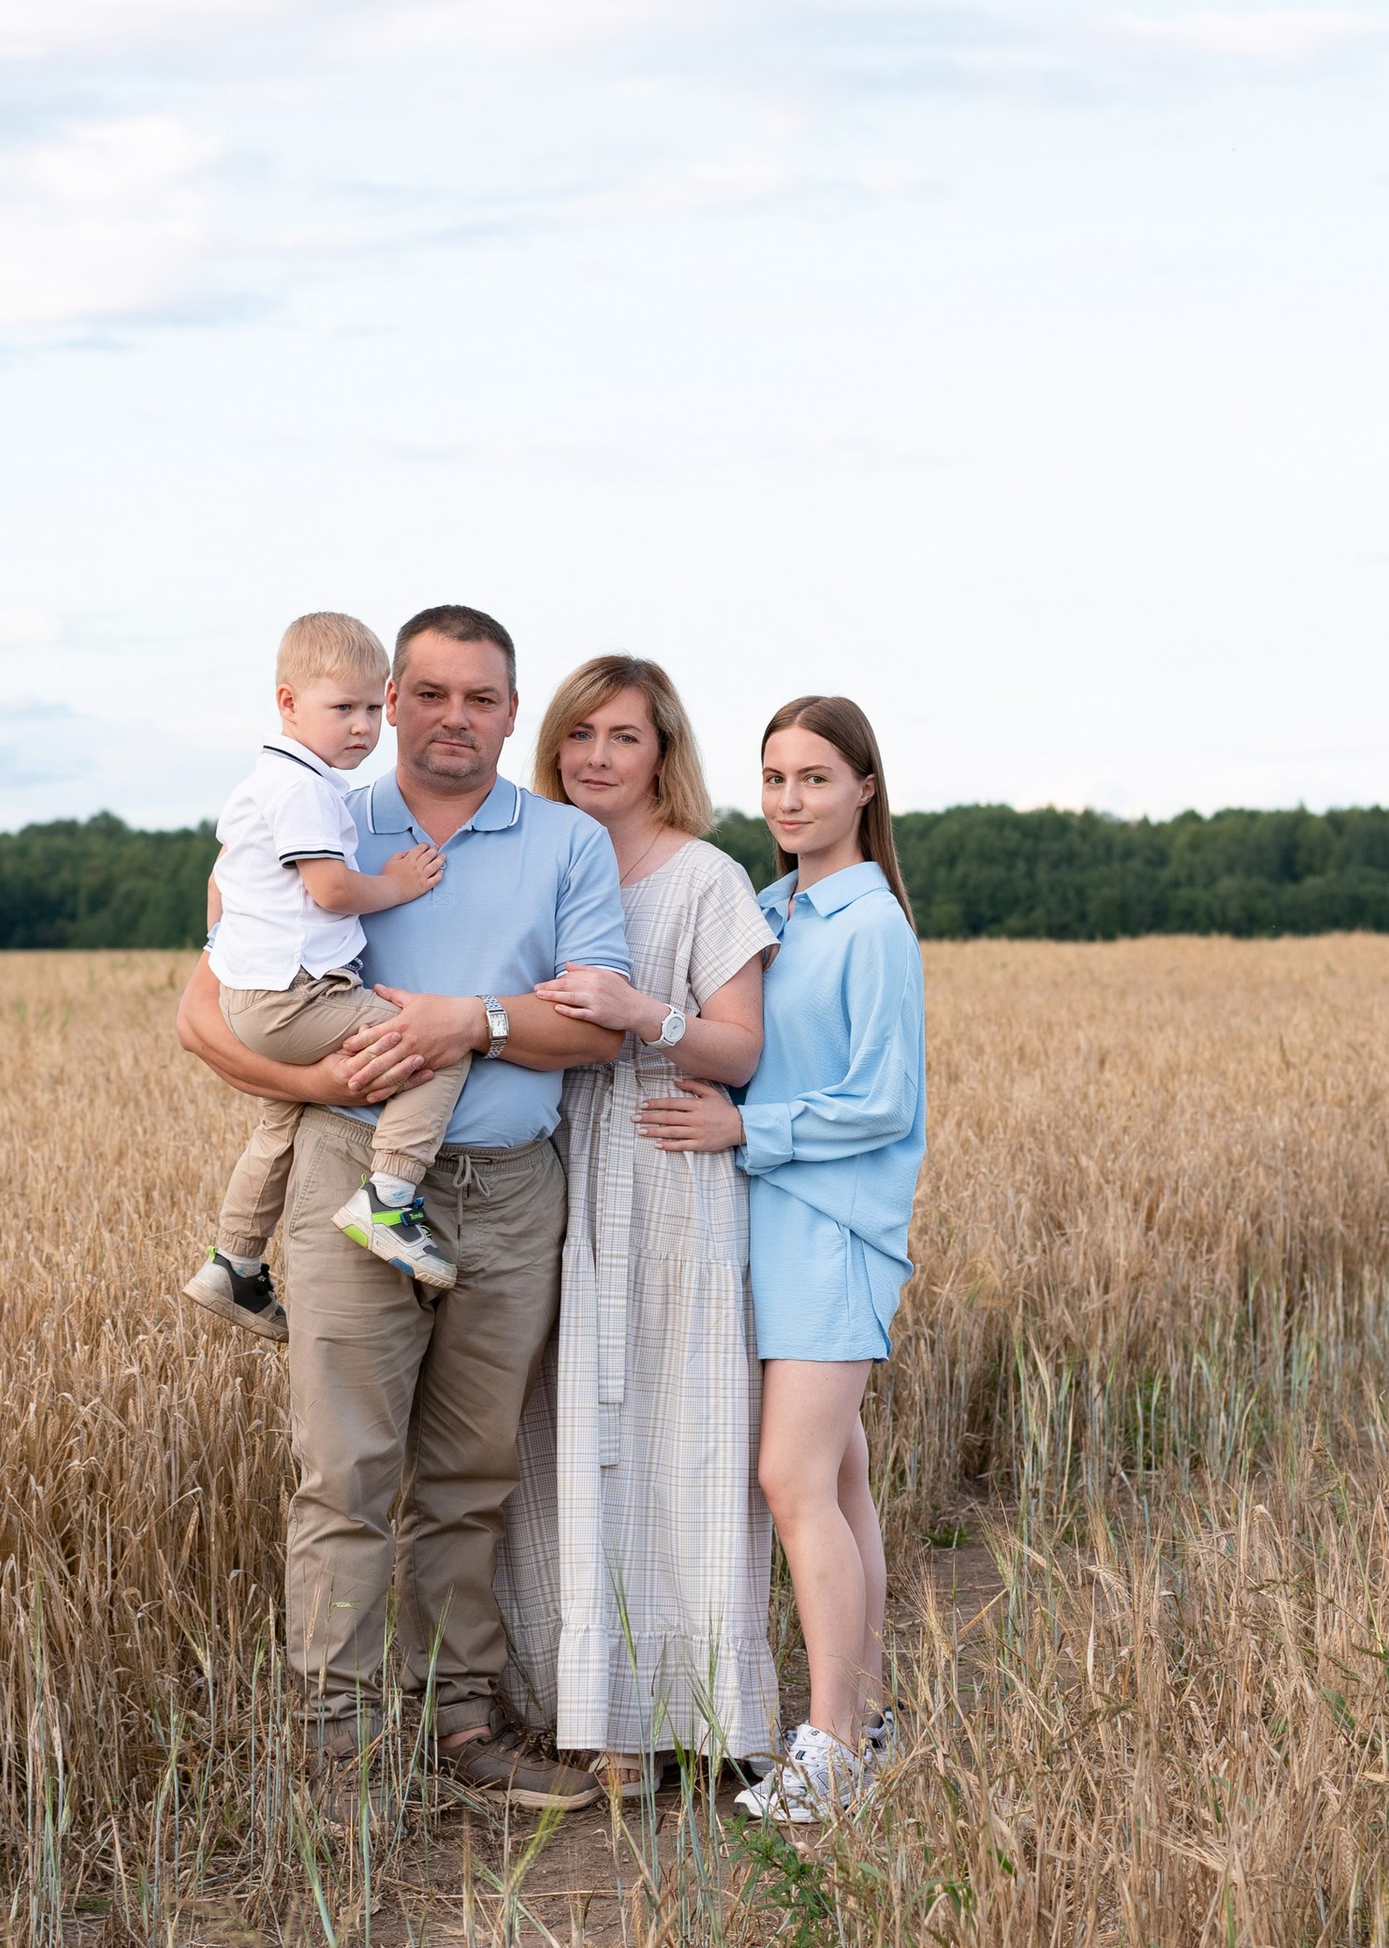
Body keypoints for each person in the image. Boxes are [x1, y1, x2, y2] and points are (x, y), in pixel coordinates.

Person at [175, 604, 631, 1815]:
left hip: (512, 1193)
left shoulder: (566, 843)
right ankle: (338, 1753)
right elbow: (204, 1017)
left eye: (480, 698)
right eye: (427, 693)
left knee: (470, 1473)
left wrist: (468, 1021)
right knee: (346, 1472)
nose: (451, 718)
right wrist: (323, 1082)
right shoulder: (315, 812)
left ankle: (464, 1722)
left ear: (512, 711)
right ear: (389, 703)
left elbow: (596, 1024)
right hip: (350, 1179)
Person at [639, 694, 926, 1829]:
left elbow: (883, 1101)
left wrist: (744, 1126)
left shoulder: (871, 925)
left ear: (864, 788)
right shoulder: (769, 911)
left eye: (815, 777)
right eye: (774, 777)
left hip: (833, 1235)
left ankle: (832, 1743)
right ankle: (871, 1717)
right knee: (840, 1482)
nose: (791, 799)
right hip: (768, 1228)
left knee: (791, 1481)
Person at [498, 657, 777, 1792]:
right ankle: (599, 1716)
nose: (597, 756)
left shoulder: (705, 876)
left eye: (623, 736)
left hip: (670, 1175)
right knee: (562, 1446)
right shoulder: (538, 863)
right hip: (558, 1170)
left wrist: (639, 1012)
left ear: (663, 752)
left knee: (681, 1441)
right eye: (579, 734)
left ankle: (699, 1715)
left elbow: (741, 1048)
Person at [184, 609, 464, 1340]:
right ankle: (389, 1197)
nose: (362, 726)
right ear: (288, 703)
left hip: (254, 993)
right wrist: (398, 883)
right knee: (430, 1043)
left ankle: (234, 1261)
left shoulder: (263, 783)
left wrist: (235, 951)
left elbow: (219, 885)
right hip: (296, 995)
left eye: (373, 708)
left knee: (281, 1119)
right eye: (342, 708)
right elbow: (333, 890)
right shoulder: (305, 790)